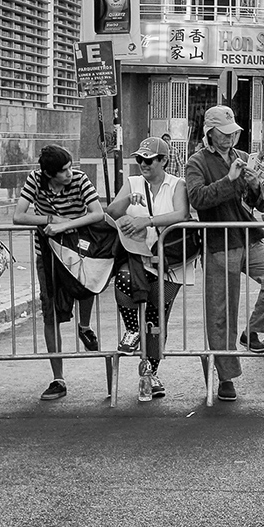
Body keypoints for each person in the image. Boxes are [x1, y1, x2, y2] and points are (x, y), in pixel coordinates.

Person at [184, 105, 264, 402]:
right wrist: (230, 181)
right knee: (221, 313)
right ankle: (226, 377)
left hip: (250, 237)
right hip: (219, 244)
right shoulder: (197, 162)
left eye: (233, 133)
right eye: (224, 133)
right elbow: (198, 198)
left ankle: (253, 332)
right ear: (210, 132)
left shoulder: (244, 158)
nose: (230, 138)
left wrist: (257, 186)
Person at [12, 145, 106, 402]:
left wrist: (65, 224)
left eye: (69, 167)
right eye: (63, 171)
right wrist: (48, 219)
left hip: (79, 250)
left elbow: (97, 212)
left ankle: (84, 326)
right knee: (50, 311)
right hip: (49, 253)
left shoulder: (80, 179)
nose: (69, 174)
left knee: (89, 286)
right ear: (49, 174)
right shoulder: (35, 179)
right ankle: (58, 378)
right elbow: (18, 216)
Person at [107, 136, 196, 402]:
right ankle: (133, 330)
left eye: (149, 160)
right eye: (140, 159)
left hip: (170, 262)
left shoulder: (177, 184)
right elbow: (111, 211)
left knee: (157, 319)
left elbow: (181, 214)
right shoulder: (134, 183)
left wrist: (146, 220)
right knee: (123, 282)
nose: (143, 164)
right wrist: (127, 204)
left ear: (163, 160)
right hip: (138, 257)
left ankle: (150, 374)